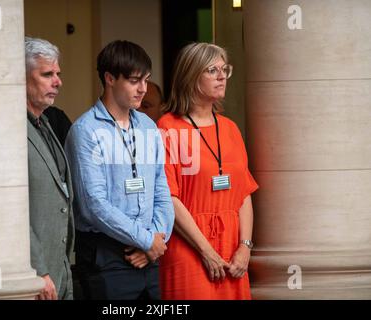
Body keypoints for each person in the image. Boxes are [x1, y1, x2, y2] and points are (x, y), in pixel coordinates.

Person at [65, 40, 174, 300]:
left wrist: (156, 240)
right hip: (107, 257)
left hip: (150, 255)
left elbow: (161, 187)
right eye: (135, 81)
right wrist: (147, 242)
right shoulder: (86, 131)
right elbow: (94, 205)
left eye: (146, 80)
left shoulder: (147, 125)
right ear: (110, 78)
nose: (143, 90)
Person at [157, 42, 258, 300]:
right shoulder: (168, 127)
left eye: (225, 69)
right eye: (212, 70)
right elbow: (170, 197)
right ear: (190, 76)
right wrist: (205, 250)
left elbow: (243, 194)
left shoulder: (230, 128)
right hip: (189, 248)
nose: (222, 76)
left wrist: (245, 247)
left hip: (233, 247)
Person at [25, 36, 75, 300]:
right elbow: (13, 209)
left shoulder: (46, 121)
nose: (58, 81)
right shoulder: (10, 127)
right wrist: (39, 270)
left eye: (58, 73)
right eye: (47, 74)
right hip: (36, 275)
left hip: (61, 270)